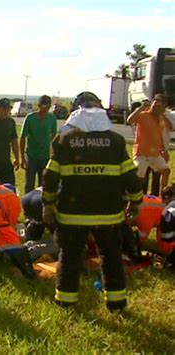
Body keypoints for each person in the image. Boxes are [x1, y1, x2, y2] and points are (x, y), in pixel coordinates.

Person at [42, 91, 143, 312]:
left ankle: (66, 302)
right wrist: (136, 203)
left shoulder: (63, 141)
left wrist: (48, 204)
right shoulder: (115, 142)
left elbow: (50, 177)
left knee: (69, 257)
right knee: (111, 257)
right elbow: (130, 177)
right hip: (109, 215)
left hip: (72, 213)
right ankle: (116, 303)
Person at [126, 94, 171, 196]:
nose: (154, 108)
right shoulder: (143, 115)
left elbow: (159, 136)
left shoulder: (161, 120)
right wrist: (141, 107)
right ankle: (132, 199)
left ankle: (162, 196)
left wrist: (163, 150)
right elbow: (129, 120)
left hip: (154, 154)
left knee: (166, 171)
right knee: (139, 178)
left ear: (163, 108)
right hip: (142, 153)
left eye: (158, 107)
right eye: (154, 106)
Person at [20, 95, 57, 193]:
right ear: (39, 106)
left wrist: (54, 155)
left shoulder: (52, 119)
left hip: (45, 156)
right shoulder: (30, 118)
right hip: (31, 155)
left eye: (47, 107)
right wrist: (22, 157)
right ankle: (27, 204)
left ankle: (40, 205)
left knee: (44, 183)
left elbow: (54, 138)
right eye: (43, 107)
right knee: (29, 183)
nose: (45, 110)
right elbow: (23, 137)